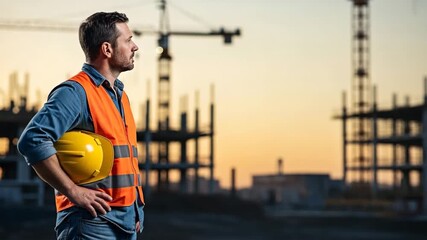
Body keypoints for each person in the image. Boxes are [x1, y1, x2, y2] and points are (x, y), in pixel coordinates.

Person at [17, 11, 144, 240]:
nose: (135, 47)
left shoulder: (119, 95)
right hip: (91, 223)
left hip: (124, 224)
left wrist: (135, 212)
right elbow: (32, 140)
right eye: (128, 40)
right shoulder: (75, 92)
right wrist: (73, 191)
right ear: (107, 49)